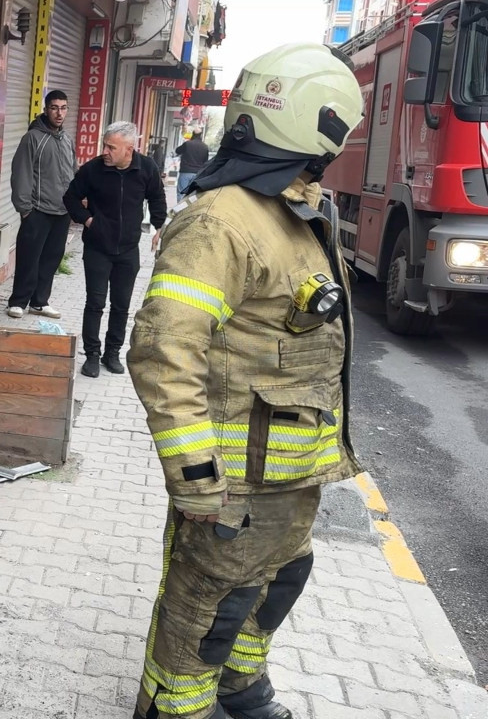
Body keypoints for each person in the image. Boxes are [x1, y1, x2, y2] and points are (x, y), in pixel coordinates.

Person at [126, 43, 365, 719]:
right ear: (320, 129)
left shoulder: (294, 208)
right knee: (208, 599)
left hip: (289, 473)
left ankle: (238, 685)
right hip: (235, 478)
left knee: (279, 577)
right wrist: (196, 474)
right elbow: (164, 349)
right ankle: (174, 708)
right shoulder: (222, 219)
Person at [62, 121, 167, 379]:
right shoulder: (93, 170)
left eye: (111, 147)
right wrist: (88, 220)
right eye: (104, 146)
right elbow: (70, 197)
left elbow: (157, 198)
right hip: (97, 247)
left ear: (129, 149)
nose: (105, 151)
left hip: (128, 250)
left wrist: (159, 227)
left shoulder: (146, 168)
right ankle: (92, 355)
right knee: (95, 303)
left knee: (121, 305)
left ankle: (112, 353)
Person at [7, 89, 76, 319]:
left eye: (63, 108)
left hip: (62, 211)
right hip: (37, 211)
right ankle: (18, 301)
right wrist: (25, 209)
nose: (59, 113)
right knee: (29, 258)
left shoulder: (66, 139)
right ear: (46, 109)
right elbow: (21, 173)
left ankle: (39, 302)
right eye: (55, 107)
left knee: (51, 259)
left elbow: (71, 172)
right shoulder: (33, 138)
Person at [175, 130, 211, 201]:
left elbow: (177, 151)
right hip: (197, 173)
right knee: (193, 194)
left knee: (181, 192)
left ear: (193, 134)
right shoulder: (205, 147)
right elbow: (205, 161)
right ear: (201, 135)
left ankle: (180, 210)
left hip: (185, 172)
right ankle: (189, 210)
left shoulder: (187, 144)